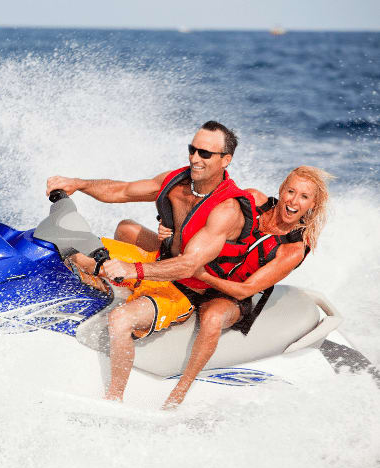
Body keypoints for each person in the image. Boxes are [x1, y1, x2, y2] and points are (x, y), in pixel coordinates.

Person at [47, 120, 257, 404]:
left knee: (120, 320)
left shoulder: (227, 209)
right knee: (71, 248)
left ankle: (114, 399)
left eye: (205, 154)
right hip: (157, 262)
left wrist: (132, 270)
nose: (195, 158)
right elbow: (121, 191)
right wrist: (79, 184)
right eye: (192, 149)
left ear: (225, 160)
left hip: (184, 288)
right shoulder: (177, 183)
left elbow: (188, 265)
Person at [157, 166, 333, 407]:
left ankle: (180, 390)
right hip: (202, 265)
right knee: (128, 229)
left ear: (312, 204)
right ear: (281, 191)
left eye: (304, 197)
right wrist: (168, 229)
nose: (294, 201)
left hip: (230, 292)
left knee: (213, 318)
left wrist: (200, 274)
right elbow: (199, 219)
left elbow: (245, 290)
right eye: (291, 191)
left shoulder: (293, 248)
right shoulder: (252, 200)